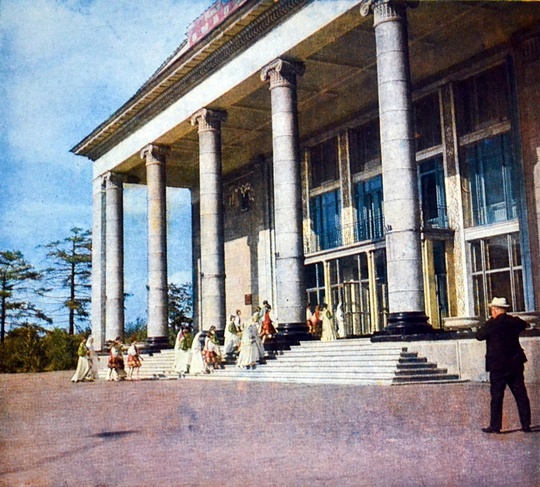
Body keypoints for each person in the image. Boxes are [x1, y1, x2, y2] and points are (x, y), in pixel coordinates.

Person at [476, 297, 532, 434]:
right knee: (520, 394)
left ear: (495, 310)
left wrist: (491, 320)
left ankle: (495, 426)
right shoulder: (514, 321)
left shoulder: (491, 324)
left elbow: (479, 335)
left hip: (497, 365)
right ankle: (526, 424)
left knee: (497, 396)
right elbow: (525, 325)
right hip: (515, 363)